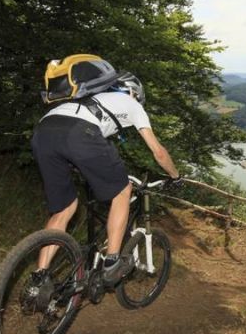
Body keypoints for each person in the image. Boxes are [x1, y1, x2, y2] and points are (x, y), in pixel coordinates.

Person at [29, 57, 181, 296]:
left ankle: (39, 280)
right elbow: (159, 152)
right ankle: (111, 262)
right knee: (122, 191)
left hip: (43, 132)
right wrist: (175, 176)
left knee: (64, 210)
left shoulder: (85, 98)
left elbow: (79, 144)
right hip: (81, 134)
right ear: (134, 93)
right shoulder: (130, 103)